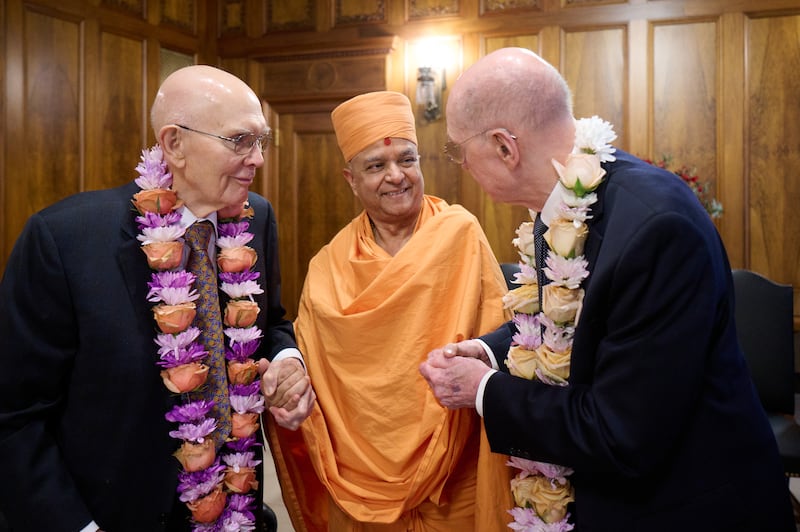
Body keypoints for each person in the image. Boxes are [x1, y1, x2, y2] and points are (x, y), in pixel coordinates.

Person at [419, 48, 796, 531]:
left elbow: (621, 433)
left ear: (504, 147)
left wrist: (484, 390)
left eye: (458, 150)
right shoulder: (568, 203)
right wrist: (489, 352)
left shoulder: (654, 230)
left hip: (686, 508)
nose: (462, 166)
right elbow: (575, 319)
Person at [0, 65, 315, 532]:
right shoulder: (65, 240)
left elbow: (270, 322)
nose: (258, 159)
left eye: (262, 141)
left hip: (237, 508)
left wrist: (288, 361)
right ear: (174, 144)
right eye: (240, 140)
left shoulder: (257, 219)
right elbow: (15, 417)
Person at [266, 91, 514, 531]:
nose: (396, 176)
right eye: (376, 166)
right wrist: (288, 383)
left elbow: (501, 338)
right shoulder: (329, 266)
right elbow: (313, 369)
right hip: (360, 474)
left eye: (407, 160)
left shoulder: (460, 234)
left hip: (457, 462)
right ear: (351, 179)